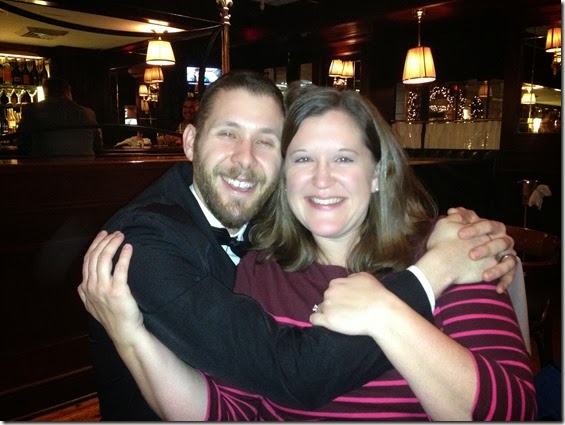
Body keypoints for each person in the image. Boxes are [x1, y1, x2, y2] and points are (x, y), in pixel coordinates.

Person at [78, 71, 517, 421]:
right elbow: (256, 395)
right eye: (304, 158)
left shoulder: (454, 246)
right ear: (191, 142)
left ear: (377, 172)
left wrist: (434, 270)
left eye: (343, 158)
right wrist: (430, 277)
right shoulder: (155, 245)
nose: (322, 179)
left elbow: (511, 410)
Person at [16, 77, 103, 157]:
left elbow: (22, 145)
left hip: (43, 166)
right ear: (68, 92)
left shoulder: (31, 110)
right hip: (84, 166)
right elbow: (97, 146)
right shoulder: (88, 113)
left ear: (45, 92)